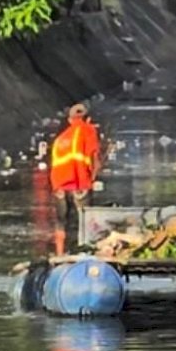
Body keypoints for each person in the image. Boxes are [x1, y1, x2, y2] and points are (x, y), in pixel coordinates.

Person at [49, 103, 101, 255]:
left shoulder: (60, 139)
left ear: (70, 120)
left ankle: (59, 254)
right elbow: (95, 159)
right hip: (79, 182)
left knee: (61, 221)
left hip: (59, 185)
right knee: (85, 219)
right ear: (88, 119)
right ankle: (85, 251)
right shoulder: (88, 129)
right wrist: (92, 180)